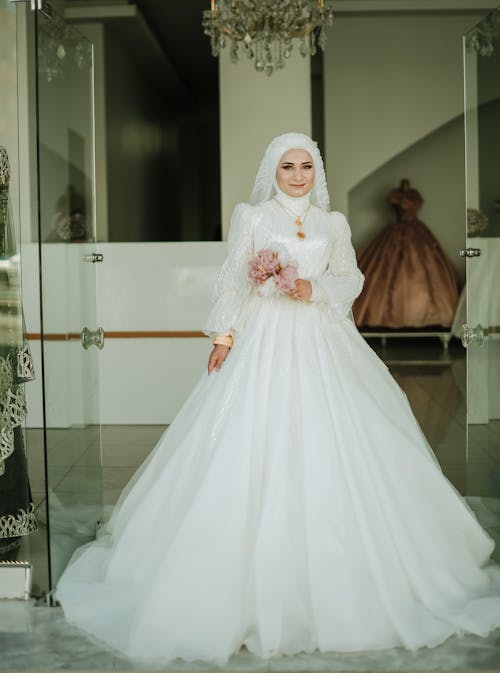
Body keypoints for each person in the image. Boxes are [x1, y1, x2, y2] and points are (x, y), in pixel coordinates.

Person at [56, 132, 500, 665]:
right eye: (288, 166)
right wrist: (224, 336)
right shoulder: (252, 215)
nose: (296, 175)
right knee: (248, 437)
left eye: (306, 166)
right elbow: (232, 281)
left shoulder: (330, 223)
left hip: (319, 337)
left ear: (317, 173)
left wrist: (314, 290)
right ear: (273, 169)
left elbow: (351, 278)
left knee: (338, 439)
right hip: (264, 339)